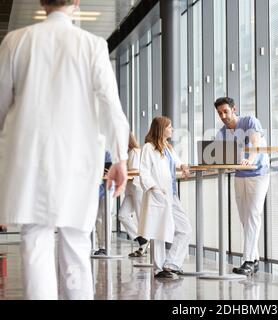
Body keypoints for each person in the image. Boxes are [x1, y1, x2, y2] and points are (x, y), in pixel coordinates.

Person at [0, 0, 129, 299]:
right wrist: (120, 157)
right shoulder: (92, 45)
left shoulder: (15, 41)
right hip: (77, 156)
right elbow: (110, 104)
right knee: (76, 242)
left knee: (35, 241)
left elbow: (2, 104)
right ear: (76, 3)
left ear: (42, 2)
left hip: (28, 156)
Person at [214, 97, 270, 276]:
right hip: (239, 175)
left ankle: (247, 261)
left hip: (258, 173)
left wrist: (249, 160)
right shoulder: (222, 132)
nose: (223, 116)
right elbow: (220, 155)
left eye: (225, 111)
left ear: (234, 109)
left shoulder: (249, 121)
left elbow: (256, 145)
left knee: (253, 214)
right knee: (245, 218)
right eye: (220, 113)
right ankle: (254, 260)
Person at [138, 116, 192, 278]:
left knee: (185, 229)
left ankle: (171, 263)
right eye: (169, 127)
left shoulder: (168, 147)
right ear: (161, 129)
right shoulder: (149, 147)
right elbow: (144, 171)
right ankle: (159, 268)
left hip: (171, 194)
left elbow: (177, 163)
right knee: (158, 231)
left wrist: (183, 165)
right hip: (158, 193)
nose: (172, 129)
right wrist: (154, 188)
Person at [116, 133, 146, 257]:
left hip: (137, 187)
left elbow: (134, 171)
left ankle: (144, 244)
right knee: (122, 215)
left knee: (141, 218)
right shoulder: (126, 154)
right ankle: (142, 240)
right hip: (130, 189)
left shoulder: (135, 151)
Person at [93, 151, 114, 256]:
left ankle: (105, 247)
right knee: (98, 219)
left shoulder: (107, 150)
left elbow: (108, 168)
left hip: (107, 187)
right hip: (95, 188)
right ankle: (102, 246)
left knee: (105, 217)